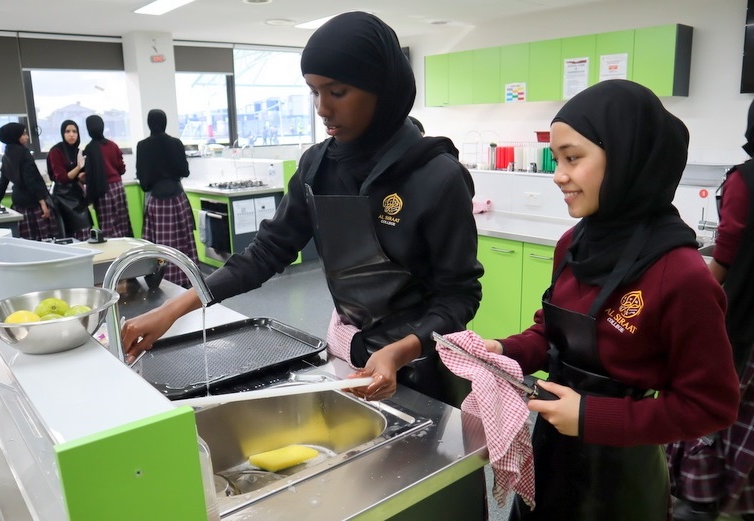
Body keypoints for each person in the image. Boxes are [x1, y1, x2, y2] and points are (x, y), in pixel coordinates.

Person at [121, 11, 483, 406]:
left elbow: (458, 296)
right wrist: (174, 310)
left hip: (423, 364)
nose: (322, 108)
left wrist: (401, 350)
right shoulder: (317, 165)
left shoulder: (437, 176)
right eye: (314, 91)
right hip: (352, 354)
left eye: (337, 92)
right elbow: (265, 253)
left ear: (382, 88)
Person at [481, 80, 739, 521]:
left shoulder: (679, 274)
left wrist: (593, 417)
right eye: (557, 159)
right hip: (549, 456)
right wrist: (504, 352)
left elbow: (710, 405)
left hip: (622, 481)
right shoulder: (573, 244)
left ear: (624, 159)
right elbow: (551, 332)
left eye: (573, 158)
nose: (558, 174)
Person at [666, 99, 754, 521]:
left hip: (743, 318)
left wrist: (698, 287)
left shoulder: (746, 176)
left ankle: (701, 495)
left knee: (716, 406)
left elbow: (729, 246)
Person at [135, 109, 199, 288]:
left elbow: (143, 181)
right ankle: (186, 279)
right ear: (165, 122)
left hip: (156, 200)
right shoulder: (176, 143)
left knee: (160, 246)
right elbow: (184, 171)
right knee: (182, 243)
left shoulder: (142, 146)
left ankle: (162, 281)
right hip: (177, 199)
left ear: (149, 123)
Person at [0, 122, 61, 241]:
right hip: (33, 204)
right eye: (23, 134)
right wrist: (43, 202)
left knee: (26, 240)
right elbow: (31, 180)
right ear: (14, 136)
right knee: (44, 240)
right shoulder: (24, 153)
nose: (27, 137)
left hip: (18, 204)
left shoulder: (7, 155)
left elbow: (3, 181)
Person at [84, 115, 133, 238]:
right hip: (117, 188)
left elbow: (90, 175)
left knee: (107, 225)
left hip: (102, 190)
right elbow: (122, 168)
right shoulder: (112, 145)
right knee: (122, 222)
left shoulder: (90, 149)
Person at [46, 119, 92, 240]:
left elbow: (82, 176)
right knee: (67, 234)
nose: (71, 134)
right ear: (62, 133)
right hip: (62, 196)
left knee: (85, 230)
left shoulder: (78, 151)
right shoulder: (56, 151)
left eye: (74, 131)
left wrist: (83, 177)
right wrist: (78, 168)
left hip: (78, 195)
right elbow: (62, 178)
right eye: (67, 131)